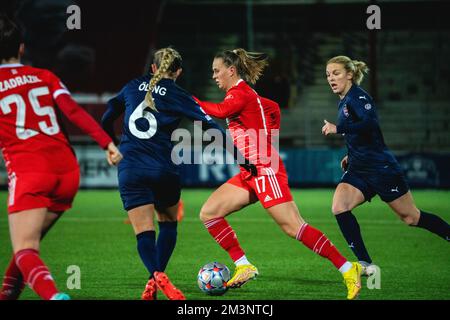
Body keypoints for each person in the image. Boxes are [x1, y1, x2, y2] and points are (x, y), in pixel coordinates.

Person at [194, 49, 362, 300]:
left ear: (231, 70)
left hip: (264, 170)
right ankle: (244, 265)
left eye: (217, 71)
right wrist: (269, 134)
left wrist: (189, 101)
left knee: (294, 227)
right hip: (249, 171)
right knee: (209, 213)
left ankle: (349, 269)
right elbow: (271, 108)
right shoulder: (247, 96)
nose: (214, 76)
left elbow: (217, 112)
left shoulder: (239, 93)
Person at [101, 47, 255, 300]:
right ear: (179, 72)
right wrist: (241, 159)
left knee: (143, 233)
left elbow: (108, 115)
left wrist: (109, 145)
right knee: (169, 224)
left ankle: (156, 277)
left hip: (130, 167)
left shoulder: (132, 85)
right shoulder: (180, 95)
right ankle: (155, 279)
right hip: (163, 168)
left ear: (153, 68)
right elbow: (210, 127)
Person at [0, 15, 122, 300]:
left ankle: (53, 296)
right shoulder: (45, 76)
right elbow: (74, 111)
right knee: (27, 246)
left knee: (25, 248)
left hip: (30, 169)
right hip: (66, 170)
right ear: (21, 48)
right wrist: (107, 143)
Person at [322, 55, 449, 274]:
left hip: (381, 169)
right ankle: (365, 263)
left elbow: (370, 123)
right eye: (327, 75)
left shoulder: (358, 97)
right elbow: (361, 134)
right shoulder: (343, 100)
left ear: (349, 74)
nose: (331, 78)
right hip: (359, 169)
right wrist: (350, 154)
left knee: (411, 217)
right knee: (339, 207)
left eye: (336, 73)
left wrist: (338, 129)